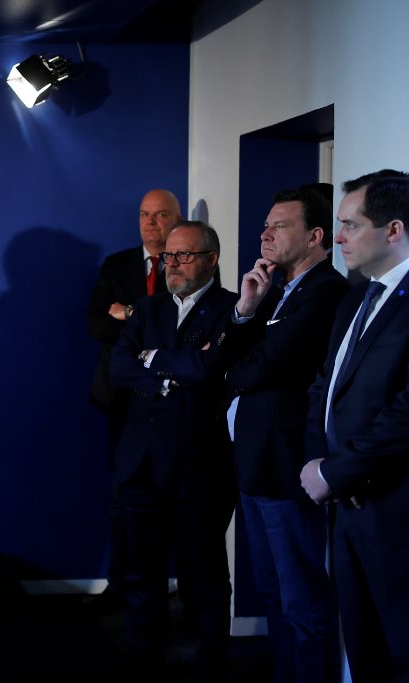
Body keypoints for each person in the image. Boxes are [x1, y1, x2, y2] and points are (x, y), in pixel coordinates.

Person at [223, 187, 346, 683]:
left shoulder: (326, 291)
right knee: (274, 593)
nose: (265, 233)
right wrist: (246, 309)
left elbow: (263, 366)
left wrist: (230, 368)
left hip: (286, 469)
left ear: (315, 237)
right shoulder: (279, 293)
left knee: (301, 601)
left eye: (279, 225)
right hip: (257, 465)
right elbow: (237, 358)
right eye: (266, 225)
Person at [109, 220, 237, 681]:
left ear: (211, 259)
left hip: (199, 467)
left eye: (183, 256)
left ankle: (210, 663)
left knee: (203, 576)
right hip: (140, 465)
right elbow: (119, 365)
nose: (173, 265)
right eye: (168, 257)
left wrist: (153, 358)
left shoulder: (232, 310)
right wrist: (169, 374)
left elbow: (208, 369)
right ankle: (147, 660)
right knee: (142, 574)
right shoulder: (146, 310)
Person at [300, 170, 409, 683]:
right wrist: (317, 463)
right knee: (365, 651)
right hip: (347, 511)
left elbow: (406, 413)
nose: (337, 237)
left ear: (394, 230)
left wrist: (338, 471)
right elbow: (325, 388)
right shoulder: (356, 296)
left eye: (348, 225)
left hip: (394, 514)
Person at [86, 188, 181, 609]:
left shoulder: (184, 265)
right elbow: (96, 326)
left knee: (168, 494)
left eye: (160, 215)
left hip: (172, 400)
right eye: (144, 214)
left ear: (176, 220)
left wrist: (128, 313)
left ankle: (160, 583)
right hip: (121, 400)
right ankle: (119, 584)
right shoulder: (117, 264)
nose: (150, 223)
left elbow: (178, 331)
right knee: (120, 497)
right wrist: (147, 322)